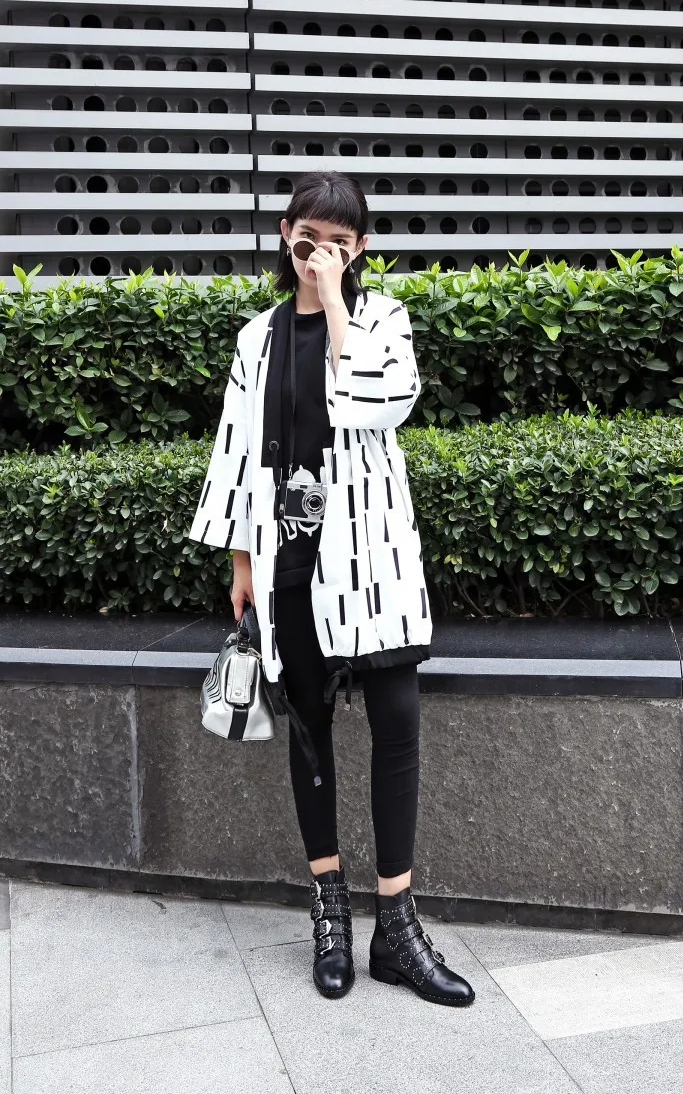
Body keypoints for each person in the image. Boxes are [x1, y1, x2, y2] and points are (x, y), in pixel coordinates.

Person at [189, 170, 474, 1007]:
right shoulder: (257, 338)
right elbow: (235, 449)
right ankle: (329, 912)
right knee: (309, 728)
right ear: (285, 235)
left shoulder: (382, 317)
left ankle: (397, 926)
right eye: (309, 238)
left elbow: (381, 402)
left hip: (372, 555)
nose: (319, 254)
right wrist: (241, 564)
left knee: (396, 722)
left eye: (339, 243)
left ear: (360, 250)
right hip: (288, 559)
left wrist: (339, 301)